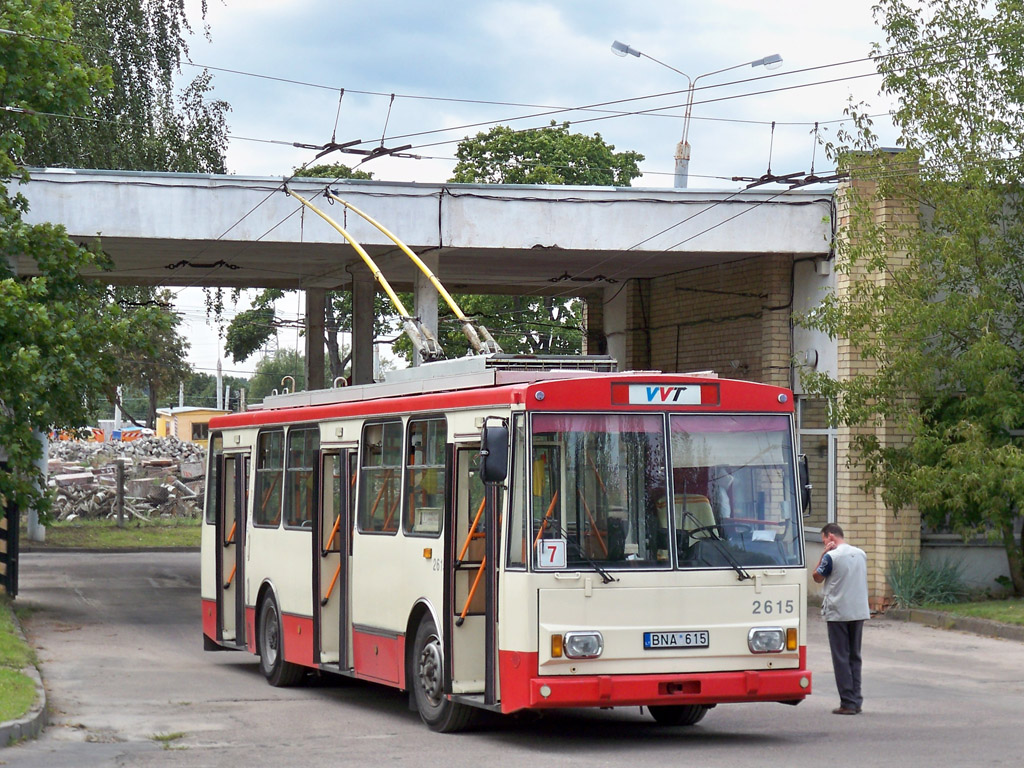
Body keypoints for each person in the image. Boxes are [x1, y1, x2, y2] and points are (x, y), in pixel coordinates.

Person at [812, 522, 870, 715]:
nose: (824, 544)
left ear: (831, 537)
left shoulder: (831, 556)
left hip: (838, 612)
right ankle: (857, 699)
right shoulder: (861, 554)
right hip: (859, 611)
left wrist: (822, 555)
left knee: (841, 657)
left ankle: (847, 702)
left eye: (823, 541)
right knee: (855, 656)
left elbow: (817, 577)